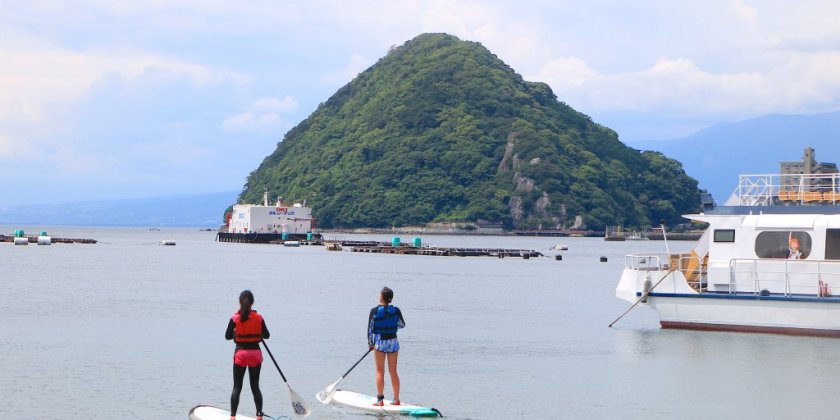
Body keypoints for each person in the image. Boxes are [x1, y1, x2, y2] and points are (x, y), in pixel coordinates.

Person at [225, 290, 270, 420]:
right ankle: (259, 416)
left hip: (241, 354)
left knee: (237, 387)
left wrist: (235, 334)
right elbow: (267, 335)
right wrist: (258, 333)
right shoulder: (259, 317)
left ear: (240, 302)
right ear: (252, 303)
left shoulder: (235, 318)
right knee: (255, 386)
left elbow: (227, 336)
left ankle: (232, 417)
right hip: (255, 354)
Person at [368, 286, 405, 406]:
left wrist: (370, 344)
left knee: (380, 371)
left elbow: (370, 329)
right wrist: (391, 325)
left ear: (381, 297)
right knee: (393, 371)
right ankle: (396, 399)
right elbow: (402, 325)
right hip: (393, 342)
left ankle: (380, 400)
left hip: (380, 342)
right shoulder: (396, 310)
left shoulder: (374, 311)